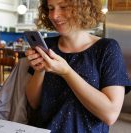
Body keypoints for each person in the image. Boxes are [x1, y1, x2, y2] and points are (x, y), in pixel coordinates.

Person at [25, 0, 131, 132]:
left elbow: (110, 114)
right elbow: (34, 103)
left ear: (83, 8)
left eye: (63, 7)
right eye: (51, 8)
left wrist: (67, 73)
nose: (54, 15)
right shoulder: (47, 46)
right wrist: (39, 70)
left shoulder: (107, 48)